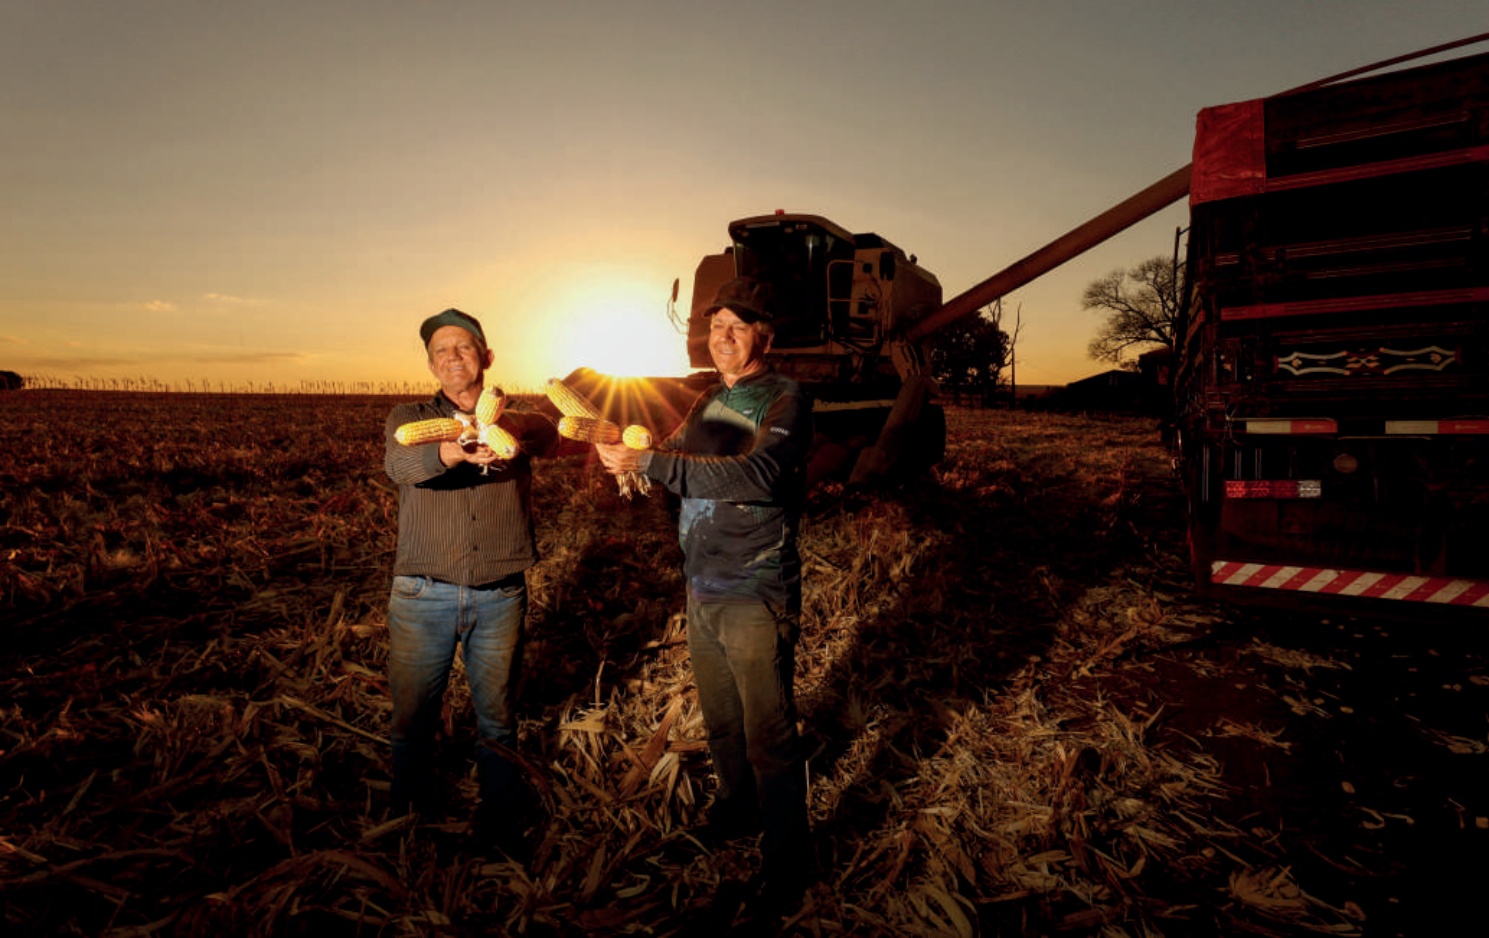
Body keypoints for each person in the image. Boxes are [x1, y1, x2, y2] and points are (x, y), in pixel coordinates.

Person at [595, 276, 815, 914]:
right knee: (721, 720)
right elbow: (677, 464)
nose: (723, 337)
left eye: (737, 328)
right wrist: (628, 455)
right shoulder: (708, 401)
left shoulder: (787, 398)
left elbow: (760, 475)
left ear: (763, 336)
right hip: (703, 584)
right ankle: (736, 810)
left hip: (755, 587)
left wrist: (653, 464)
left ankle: (788, 861)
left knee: (768, 730)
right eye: (717, 326)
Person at [383, 307, 558, 857]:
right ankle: (407, 817)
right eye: (440, 350)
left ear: (486, 356)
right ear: (431, 365)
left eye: (462, 346)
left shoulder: (518, 419)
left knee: (498, 720)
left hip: (498, 592)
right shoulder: (407, 416)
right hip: (422, 592)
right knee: (413, 719)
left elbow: (552, 435)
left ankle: (501, 818)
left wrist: (510, 429)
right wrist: (453, 450)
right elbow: (400, 466)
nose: (451, 357)